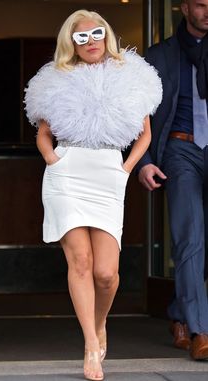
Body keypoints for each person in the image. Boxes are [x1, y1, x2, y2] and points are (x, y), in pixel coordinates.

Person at [24, 9, 162, 380]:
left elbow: (145, 134)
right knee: (80, 262)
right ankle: (90, 345)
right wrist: (52, 158)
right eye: (81, 37)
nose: (90, 42)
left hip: (107, 174)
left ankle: (100, 323)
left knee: (106, 274)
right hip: (67, 174)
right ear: (71, 42)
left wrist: (125, 168)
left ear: (106, 36)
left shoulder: (131, 77)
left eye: (95, 34)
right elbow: (43, 133)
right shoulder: (55, 79)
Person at [137, 0, 208, 360]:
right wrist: (145, 162)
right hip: (180, 150)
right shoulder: (159, 55)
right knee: (190, 238)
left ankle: (180, 314)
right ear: (183, 7)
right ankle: (202, 331)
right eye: (201, 4)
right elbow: (138, 113)